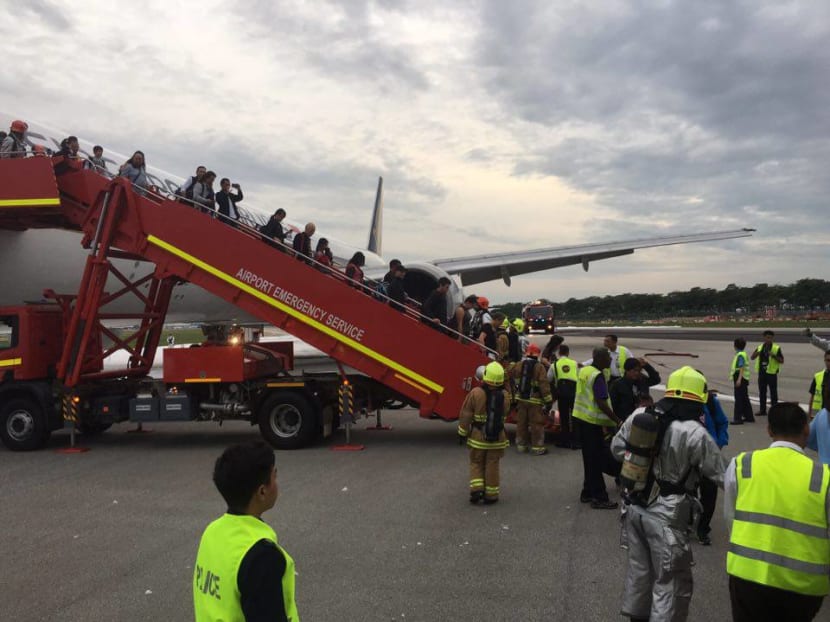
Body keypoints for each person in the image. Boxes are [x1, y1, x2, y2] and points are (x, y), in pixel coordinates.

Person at [611, 366, 727, 622]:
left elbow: (617, 449)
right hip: (668, 515)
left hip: (634, 507)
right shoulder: (695, 433)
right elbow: (722, 475)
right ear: (698, 398)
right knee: (671, 583)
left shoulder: (641, 414)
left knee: (640, 572)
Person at [724, 402, 829, 622]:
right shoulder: (822, 477)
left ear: (769, 430)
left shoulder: (742, 464)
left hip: (746, 576)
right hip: (802, 586)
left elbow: (731, 517)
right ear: (806, 429)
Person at [193, 441, 299, 622]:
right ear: (262, 491)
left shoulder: (212, 532)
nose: (277, 483)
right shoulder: (262, 556)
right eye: (275, 476)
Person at [573, 347, 622, 509]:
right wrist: (616, 420)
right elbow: (601, 402)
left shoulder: (585, 371)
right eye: (608, 358)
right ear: (600, 358)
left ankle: (587, 492)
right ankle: (599, 497)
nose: (610, 360)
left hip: (580, 419)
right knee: (595, 461)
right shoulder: (597, 376)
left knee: (589, 459)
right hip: (591, 422)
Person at [457, 362, 510, 504]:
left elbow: (466, 414)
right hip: (497, 437)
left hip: (478, 436)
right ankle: (491, 495)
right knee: (492, 464)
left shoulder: (476, 393)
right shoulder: (505, 396)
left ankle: (476, 490)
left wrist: (462, 432)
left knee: (476, 462)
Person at [697, 391, 729, 546]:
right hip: (689, 456)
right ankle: (688, 521)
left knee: (709, 493)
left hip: (710, 456)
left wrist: (720, 441)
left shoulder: (711, 401)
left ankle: (703, 528)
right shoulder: (680, 404)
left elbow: (722, 422)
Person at [510, 342, 553, 455]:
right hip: (535, 401)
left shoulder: (519, 365)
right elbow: (544, 384)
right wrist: (548, 400)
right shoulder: (539, 367)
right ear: (537, 355)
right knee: (536, 424)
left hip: (521, 400)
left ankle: (521, 446)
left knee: (521, 424)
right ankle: (537, 448)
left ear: (527, 353)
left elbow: (511, 375)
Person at [610, 358, 663, 424]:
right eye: (634, 370)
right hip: (625, 421)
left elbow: (656, 379)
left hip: (642, 420)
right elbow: (612, 406)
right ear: (627, 370)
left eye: (639, 371)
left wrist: (647, 366)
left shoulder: (642, 380)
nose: (637, 373)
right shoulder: (617, 385)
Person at [751, 330, 784, 416]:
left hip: (771, 373)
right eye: (767, 337)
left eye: (770, 338)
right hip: (762, 373)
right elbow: (752, 357)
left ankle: (775, 411)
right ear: (764, 337)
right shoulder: (760, 347)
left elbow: (781, 360)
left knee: (773, 393)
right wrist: (757, 353)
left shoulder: (776, 348)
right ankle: (762, 410)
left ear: (772, 338)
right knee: (762, 392)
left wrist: (773, 355)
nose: (768, 339)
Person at [552, 344, 579, 449]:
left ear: (559, 353)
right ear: (568, 353)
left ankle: (565, 441)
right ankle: (576, 441)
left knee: (564, 418)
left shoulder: (555, 364)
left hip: (562, 394)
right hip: (573, 393)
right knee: (575, 417)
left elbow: (549, 378)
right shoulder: (574, 363)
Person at [731, 337, 754, 425]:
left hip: (740, 377)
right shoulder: (743, 354)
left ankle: (738, 418)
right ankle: (749, 416)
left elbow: (741, 367)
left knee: (739, 398)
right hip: (744, 377)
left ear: (735, 346)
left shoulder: (740, 355)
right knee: (744, 397)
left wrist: (739, 379)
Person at [808, 350, 830, 420]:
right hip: (819, 416)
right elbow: (812, 398)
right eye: (828, 360)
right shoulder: (818, 376)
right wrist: (810, 416)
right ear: (824, 360)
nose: (829, 363)